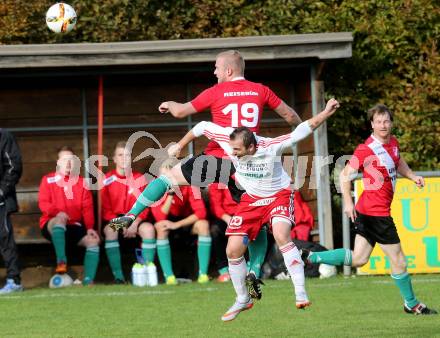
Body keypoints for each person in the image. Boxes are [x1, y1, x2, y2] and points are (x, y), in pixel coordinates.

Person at [110, 49, 302, 298]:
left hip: (215, 158)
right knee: (257, 221)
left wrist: (169, 104)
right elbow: (290, 115)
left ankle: (131, 214)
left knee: (167, 179)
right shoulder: (260, 90)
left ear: (228, 71)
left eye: (216, 68)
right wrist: (297, 130)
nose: (214, 72)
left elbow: (182, 112)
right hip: (246, 163)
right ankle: (254, 271)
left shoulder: (216, 92)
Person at [166, 98, 340, 321]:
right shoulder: (230, 141)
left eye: (238, 150)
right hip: (251, 200)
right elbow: (201, 127)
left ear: (252, 146)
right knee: (232, 250)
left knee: (280, 234)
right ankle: (243, 298)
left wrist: (325, 112)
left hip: (278, 196)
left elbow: (304, 129)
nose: (233, 154)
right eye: (232, 149)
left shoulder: (271, 146)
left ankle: (300, 292)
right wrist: (180, 145)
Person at [302, 104, 437, 315]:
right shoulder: (366, 149)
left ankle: (312, 257)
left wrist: (412, 176)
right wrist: (347, 202)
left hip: (368, 211)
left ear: (391, 123)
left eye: (386, 121)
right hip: (376, 213)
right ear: (372, 124)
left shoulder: (392, 143)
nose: (383, 125)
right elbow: (344, 175)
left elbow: (398, 161)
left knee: (359, 258)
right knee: (399, 260)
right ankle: (411, 303)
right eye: (378, 122)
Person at [38, 146, 100, 286]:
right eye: (64, 159)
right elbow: (43, 203)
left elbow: (87, 208)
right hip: (52, 224)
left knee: (93, 241)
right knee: (59, 220)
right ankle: (61, 262)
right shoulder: (48, 180)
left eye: (71, 160)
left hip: (74, 226)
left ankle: (88, 280)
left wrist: (90, 228)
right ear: (58, 162)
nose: (68, 163)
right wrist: (56, 212)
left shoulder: (81, 182)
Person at [101, 141, 156, 283]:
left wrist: (135, 221)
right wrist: (124, 223)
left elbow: (146, 206)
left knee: (149, 230)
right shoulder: (106, 180)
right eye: (120, 155)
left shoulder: (140, 179)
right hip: (117, 219)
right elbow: (105, 210)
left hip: (137, 217)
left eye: (127, 155)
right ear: (114, 159)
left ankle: (147, 273)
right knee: (110, 230)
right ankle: (118, 277)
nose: (124, 158)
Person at [151, 160, 211, 285]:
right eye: (164, 177)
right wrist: (171, 194)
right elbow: (160, 217)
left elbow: (201, 213)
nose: (167, 180)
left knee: (203, 225)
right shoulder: (156, 186)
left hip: (186, 222)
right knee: (161, 227)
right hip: (168, 221)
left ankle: (203, 275)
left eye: (170, 176)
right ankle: (169, 277)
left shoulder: (189, 184)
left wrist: (177, 225)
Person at [208, 182, 268, 284]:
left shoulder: (245, 176)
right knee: (215, 230)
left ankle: (252, 267)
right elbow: (216, 207)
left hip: (247, 214)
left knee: (263, 228)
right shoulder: (217, 177)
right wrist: (230, 220)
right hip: (227, 217)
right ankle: (223, 270)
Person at [0, 129, 23, 294]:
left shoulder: (4, 136)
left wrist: (1, 191)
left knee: (4, 239)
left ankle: (13, 280)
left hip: (1, 201)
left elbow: (14, 166)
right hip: (116, 223)